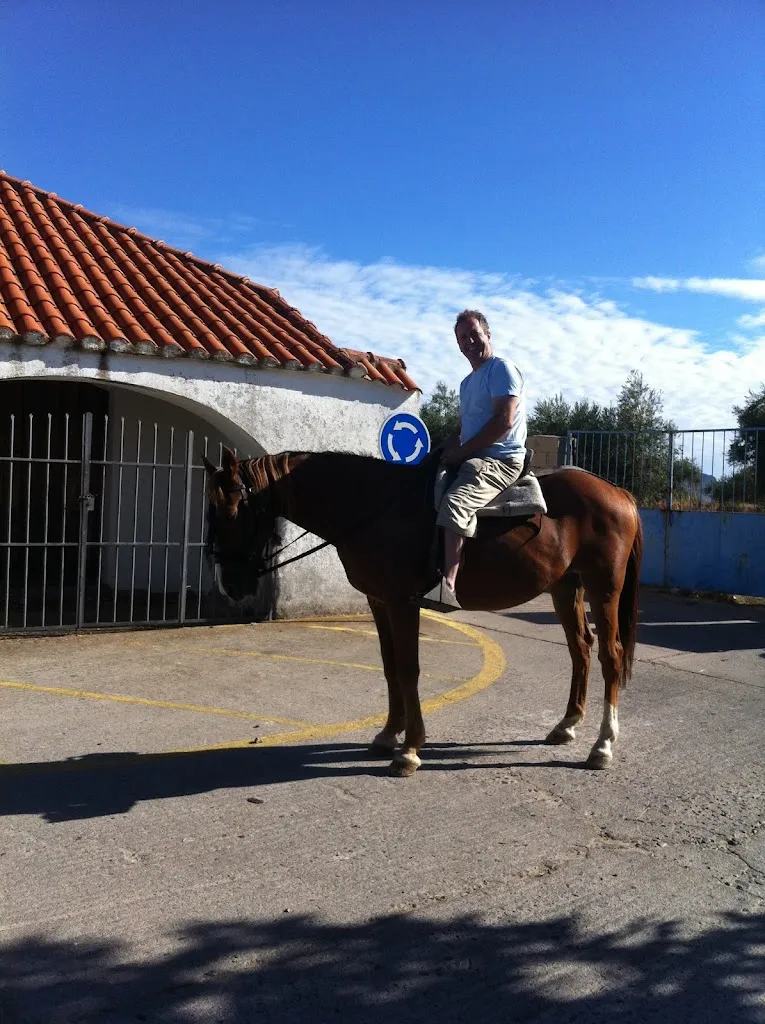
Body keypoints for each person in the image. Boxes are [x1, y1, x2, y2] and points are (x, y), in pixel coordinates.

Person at [420, 309, 527, 612]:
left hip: (501, 459)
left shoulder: (501, 370)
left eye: (474, 335)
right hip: (475, 456)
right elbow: (463, 428)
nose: (469, 342)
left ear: (488, 335)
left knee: (455, 502)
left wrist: (463, 453)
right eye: (462, 338)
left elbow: (503, 421)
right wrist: (439, 455)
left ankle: (448, 586)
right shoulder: (467, 383)